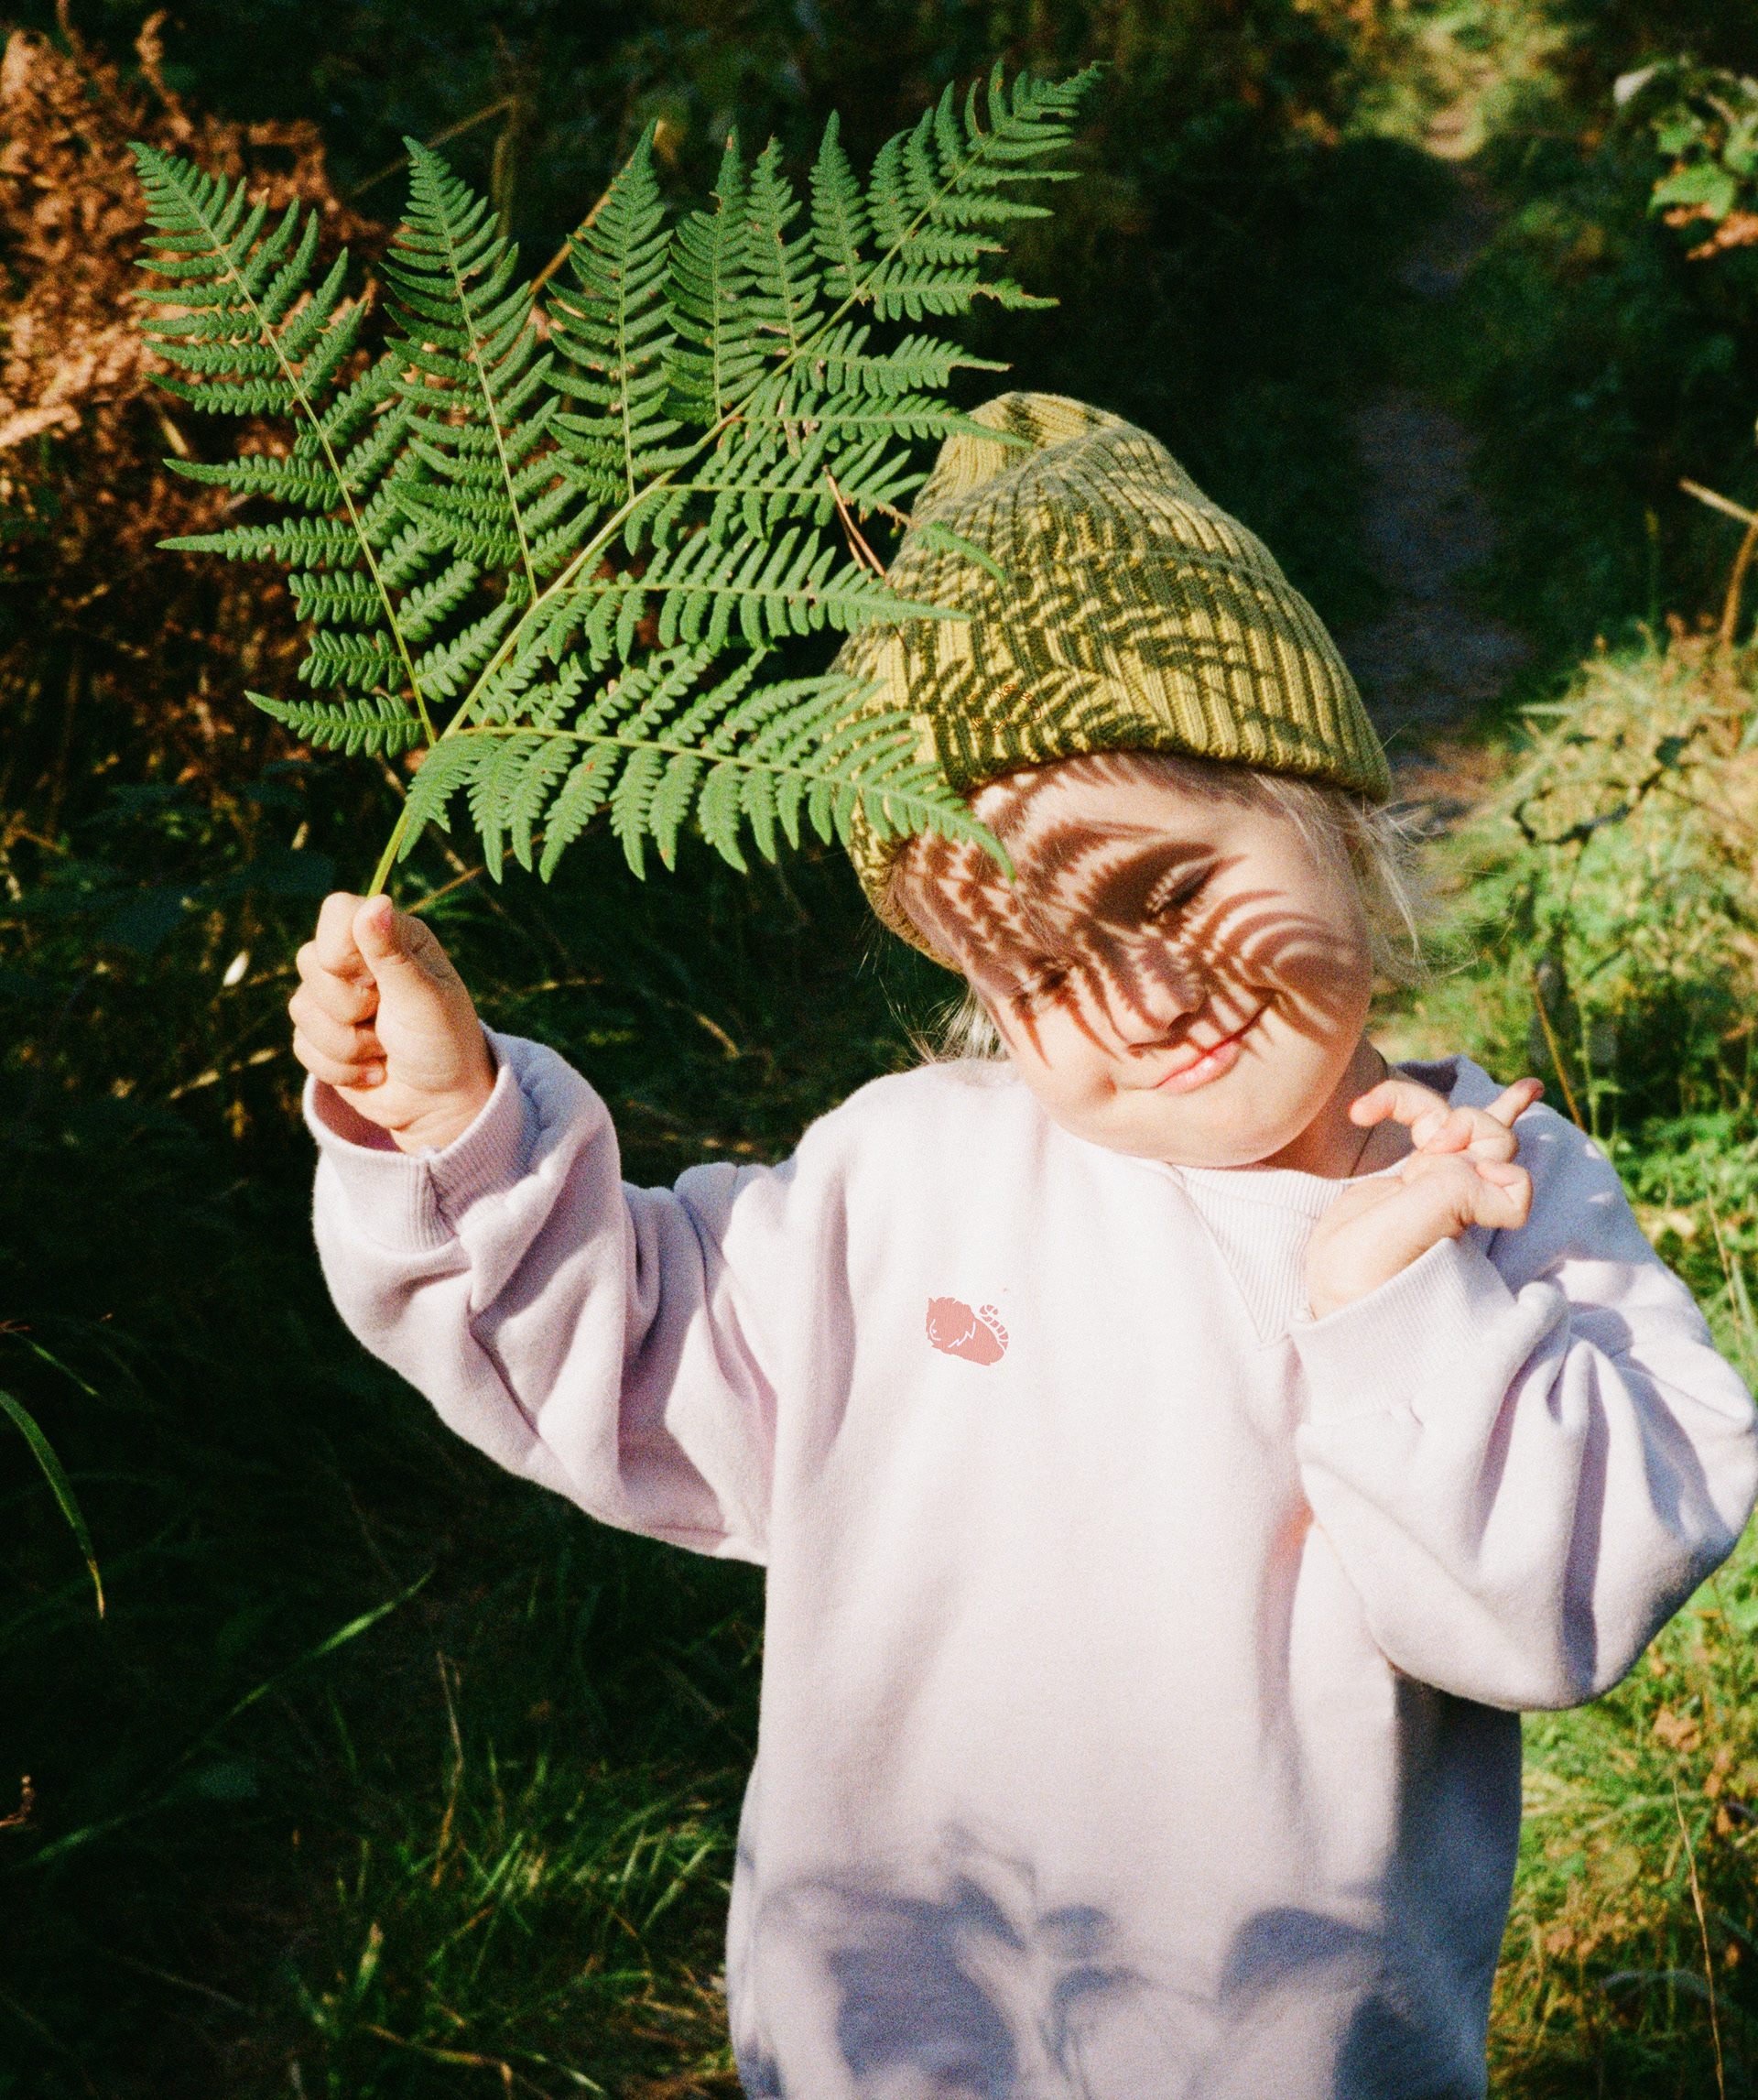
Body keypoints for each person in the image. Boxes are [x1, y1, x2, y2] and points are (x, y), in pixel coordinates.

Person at [290, 395, 1758, 2099]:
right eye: (1043, 970)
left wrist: (1393, 1298)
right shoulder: (909, 1180)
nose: (1140, 1001)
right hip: (885, 2061)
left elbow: (1551, 1614)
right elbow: (618, 1353)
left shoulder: (1510, 1204)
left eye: (1166, 891)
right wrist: (456, 1128)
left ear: (1328, 806)